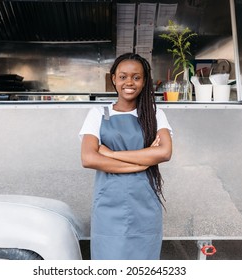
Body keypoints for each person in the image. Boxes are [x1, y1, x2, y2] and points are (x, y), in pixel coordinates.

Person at [79, 53, 173, 260]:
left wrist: (111, 154)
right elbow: (89, 158)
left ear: (144, 80)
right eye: (123, 77)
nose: (129, 82)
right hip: (108, 206)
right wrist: (142, 161)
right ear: (113, 79)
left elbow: (164, 152)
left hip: (145, 204)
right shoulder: (99, 113)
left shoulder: (155, 114)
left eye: (136, 77)